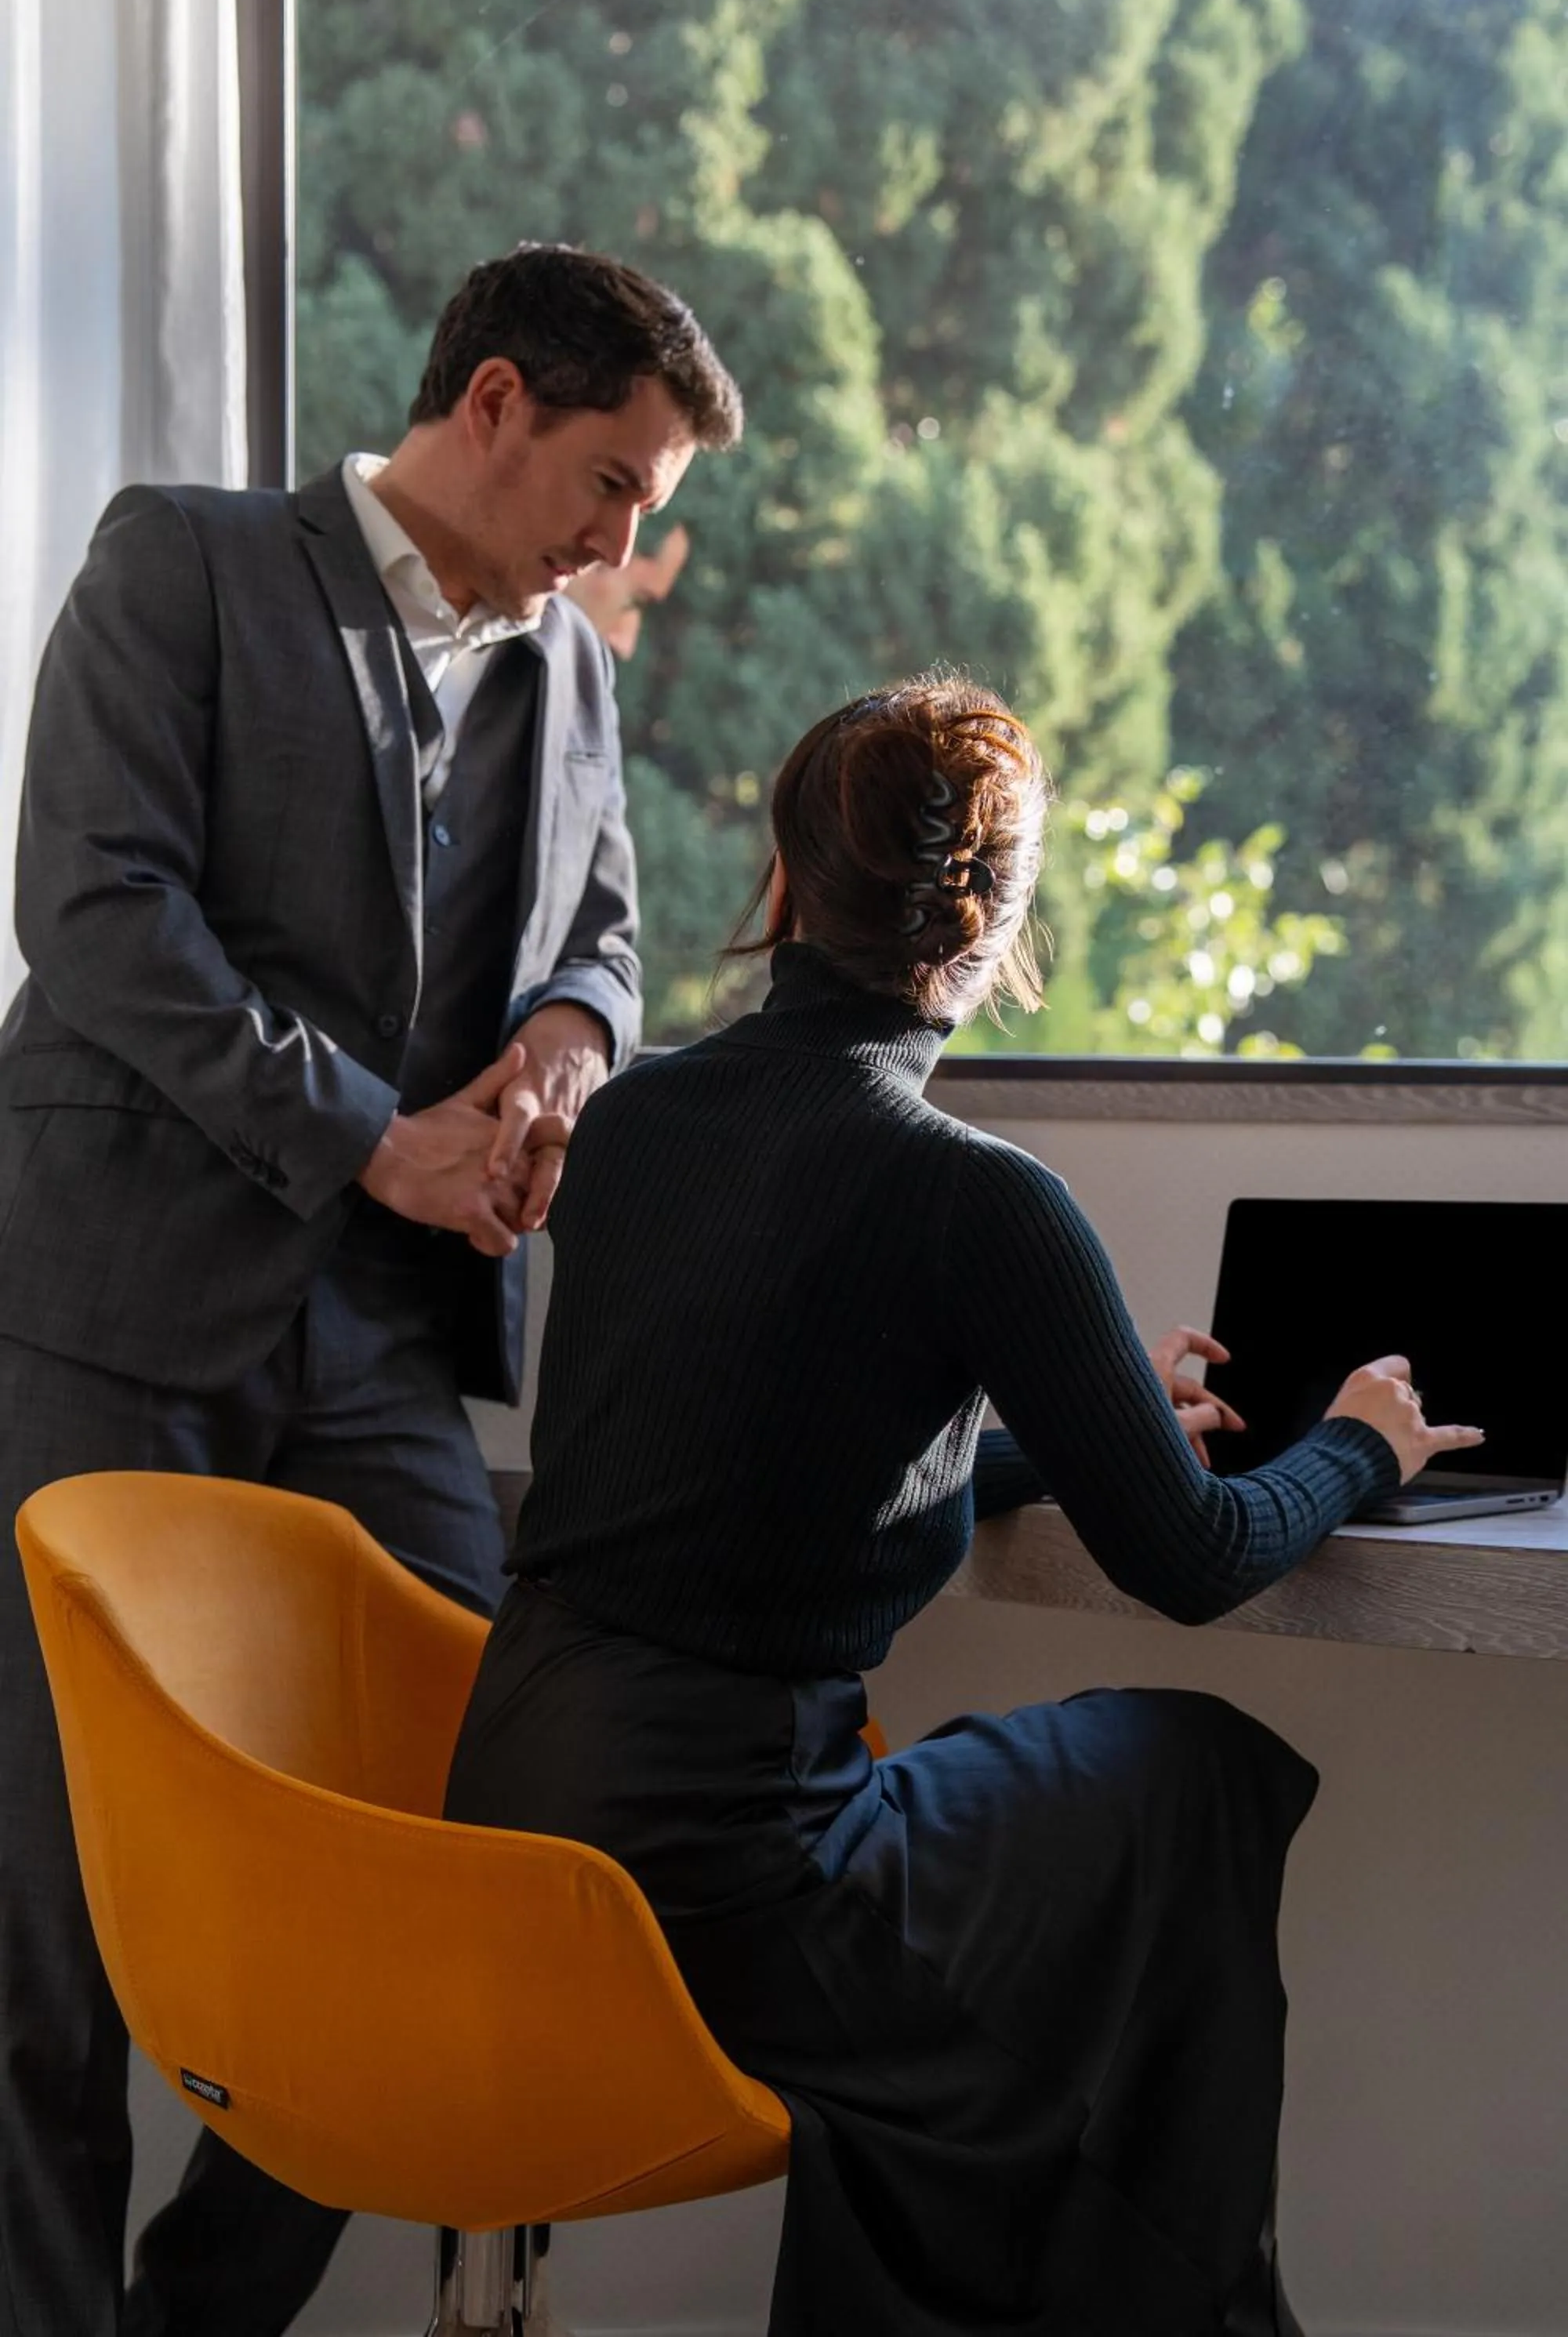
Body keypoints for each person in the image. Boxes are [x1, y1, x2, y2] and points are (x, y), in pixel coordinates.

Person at [445, 673, 1482, 2337]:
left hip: (512, 1822)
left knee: (1024, 1915)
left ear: (781, 886)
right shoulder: (976, 1197)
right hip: (726, 1879)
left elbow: (771, 1472)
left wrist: (1095, 1419)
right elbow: (1199, 1564)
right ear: (995, 929)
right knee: (1189, 1769)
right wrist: (1364, 1442)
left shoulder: (633, 1127)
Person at [0, 244, 742, 2337]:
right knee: (42, 1931)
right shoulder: (189, 563)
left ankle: (195, 2317)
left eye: (651, 510)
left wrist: (569, 1057)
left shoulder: (574, 668)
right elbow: (94, 904)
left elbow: (602, 931)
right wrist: (368, 1134)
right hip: (108, 1311)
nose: (626, 543)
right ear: (492, 403)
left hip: (385, 1347)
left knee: (483, 1816)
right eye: (611, 483)